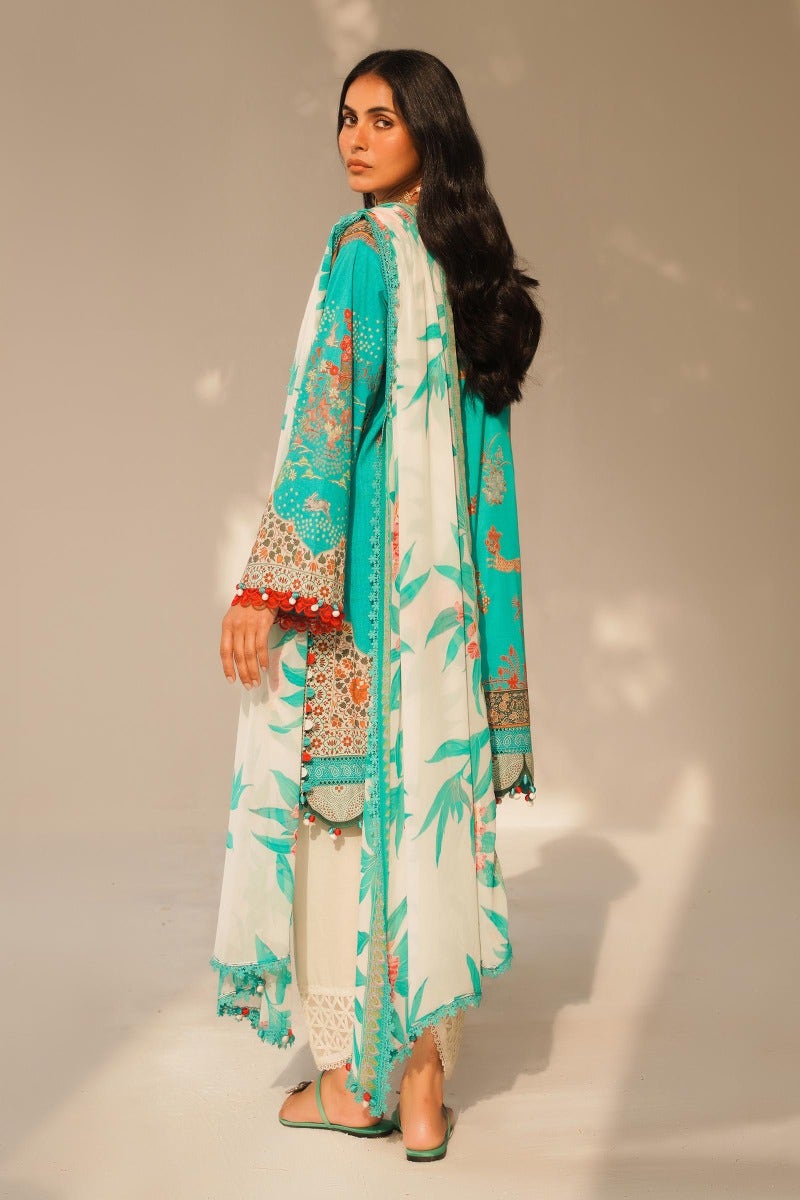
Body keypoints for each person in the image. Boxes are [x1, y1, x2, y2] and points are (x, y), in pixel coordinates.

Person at [211, 48, 542, 1162]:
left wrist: (268, 589)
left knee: (348, 826)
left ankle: (356, 1084)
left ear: (427, 132)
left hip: (358, 609)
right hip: (450, 623)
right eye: (346, 118)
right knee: (428, 818)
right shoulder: (469, 273)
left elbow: (324, 424)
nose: (354, 139)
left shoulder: (360, 254)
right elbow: (486, 477)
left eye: (381, 119)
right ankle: (425, 1092)